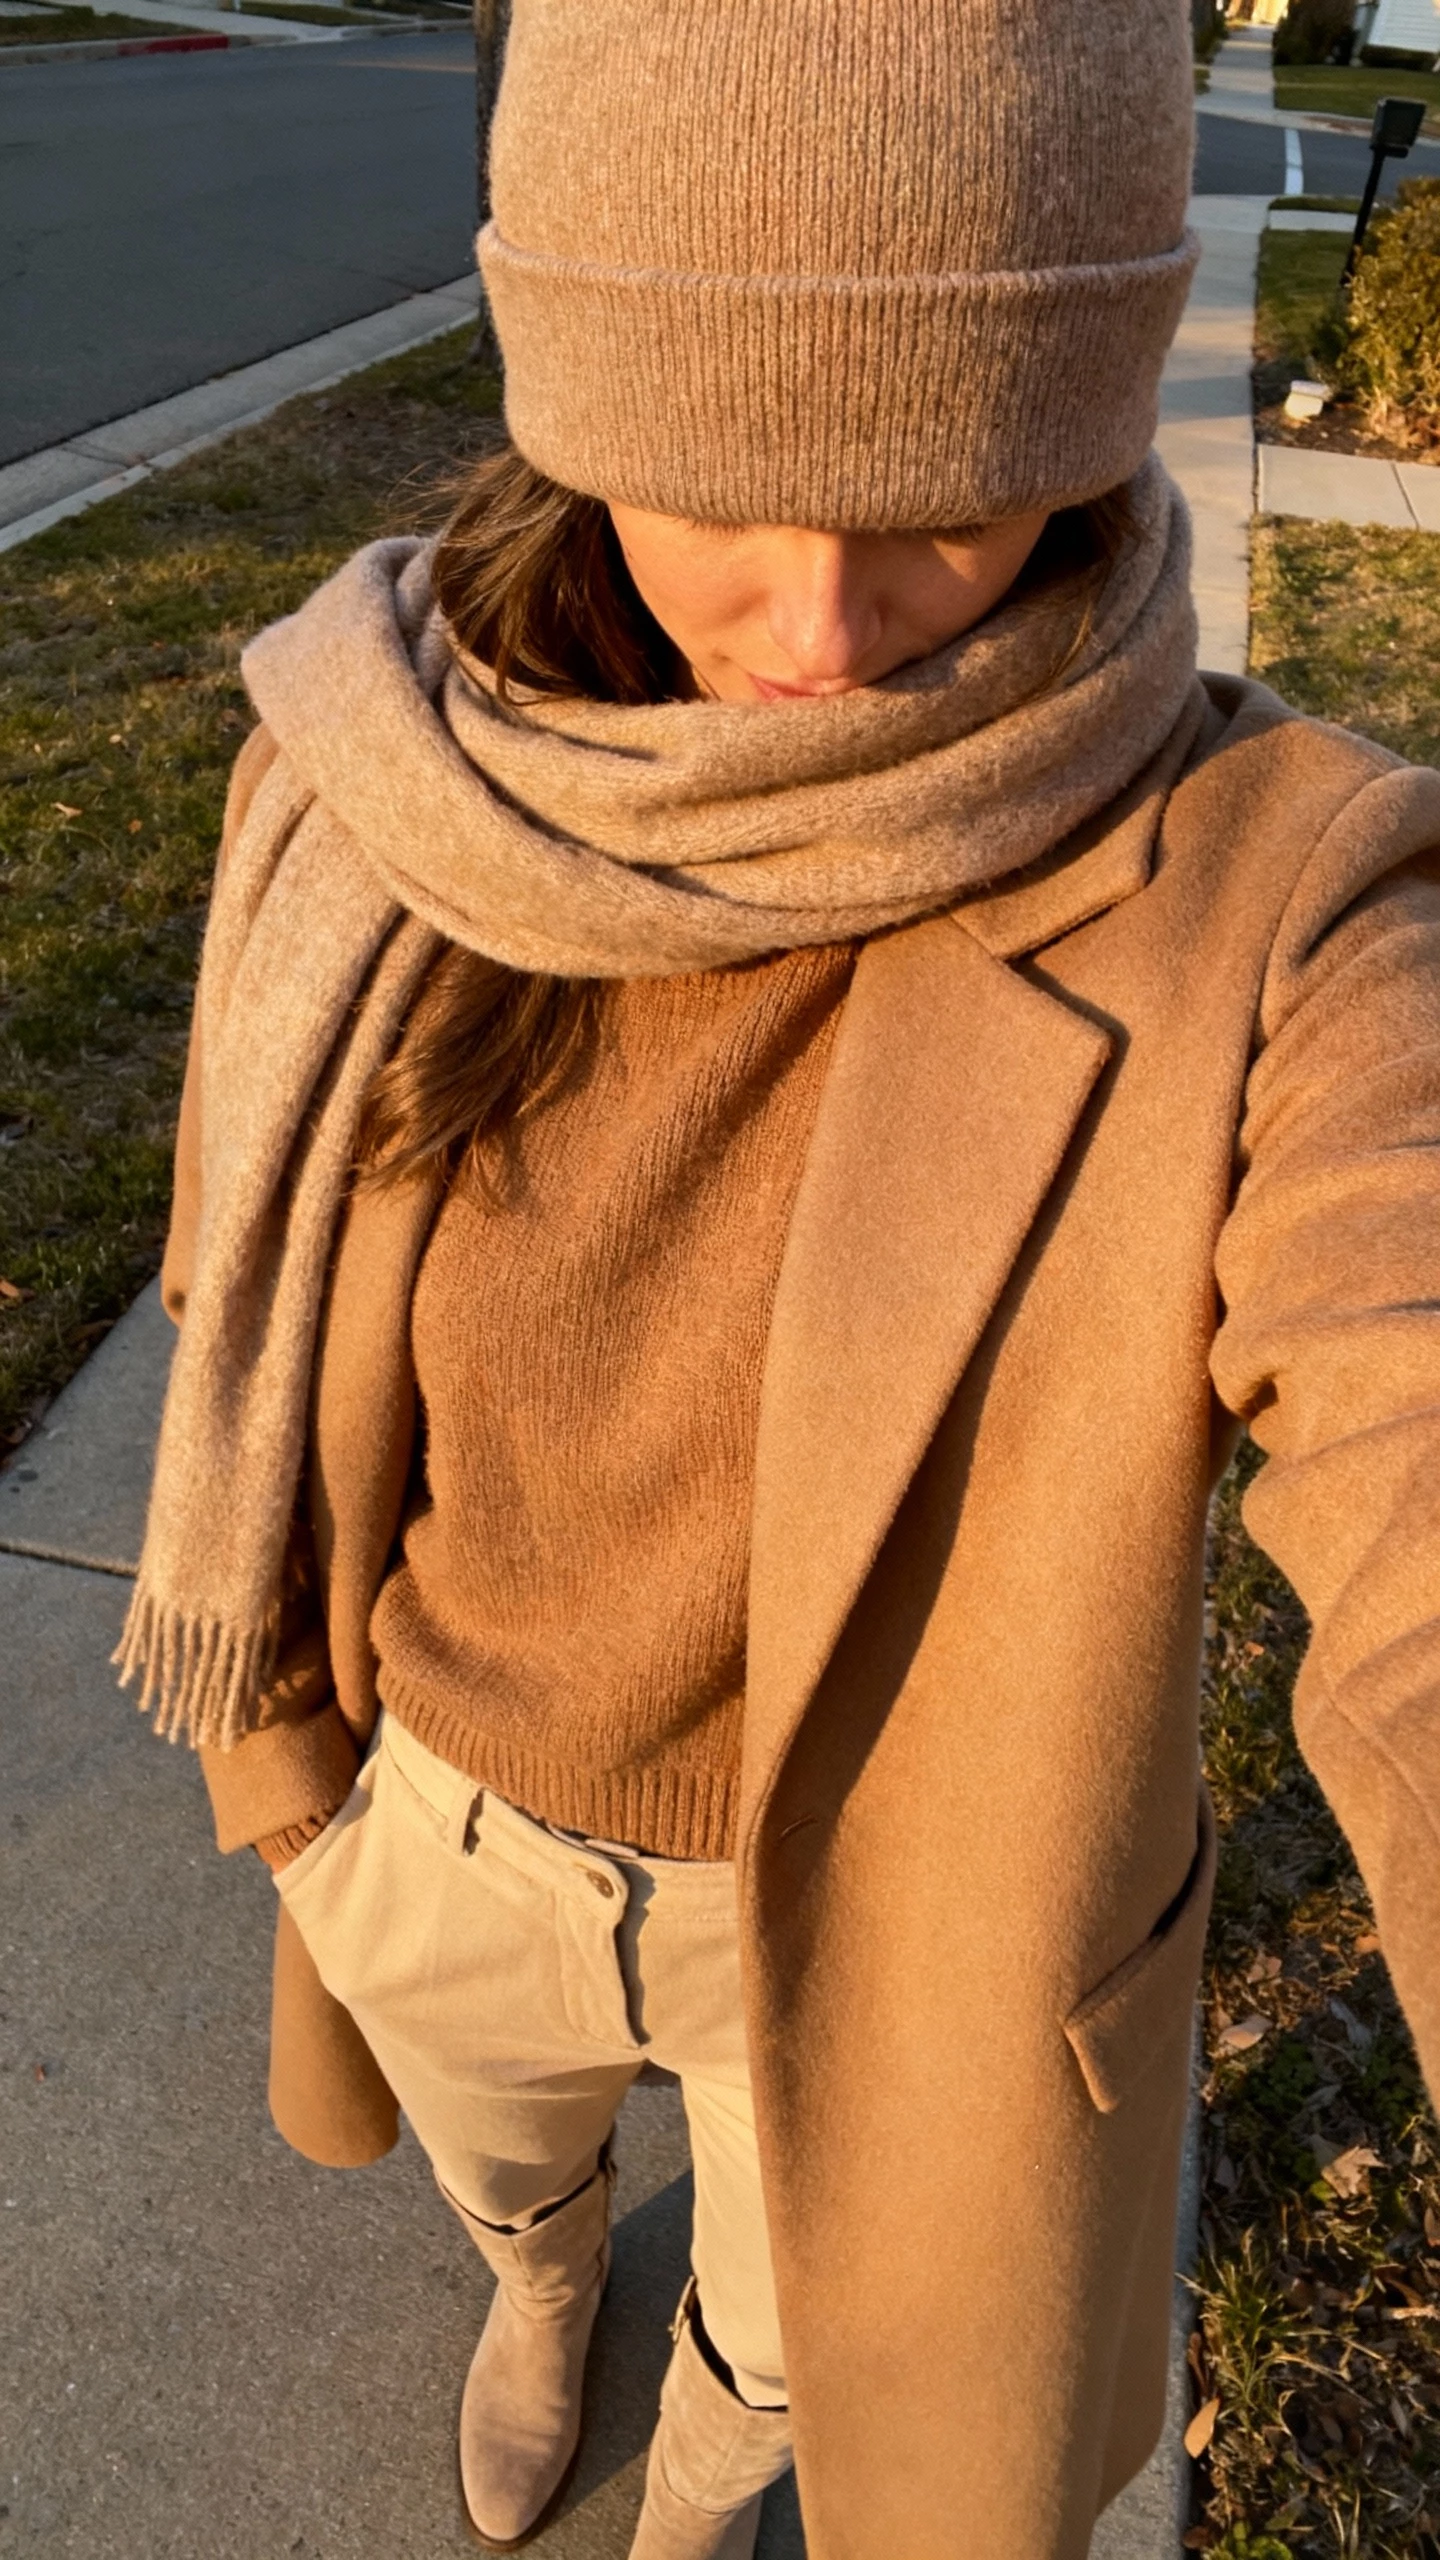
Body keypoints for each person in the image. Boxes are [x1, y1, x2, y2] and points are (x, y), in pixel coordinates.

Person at [120, 3, 1440, 2555]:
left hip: (848, 1945)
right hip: (440, 1829)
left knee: (775, 2313)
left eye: (948, 490)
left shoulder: (1274, 912)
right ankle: (528, 2281)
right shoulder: (372, 769)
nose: (825, 631)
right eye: (724, 478)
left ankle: (696, 2475)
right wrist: (294, 1789)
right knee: (505, 2168)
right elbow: (226, 1259)